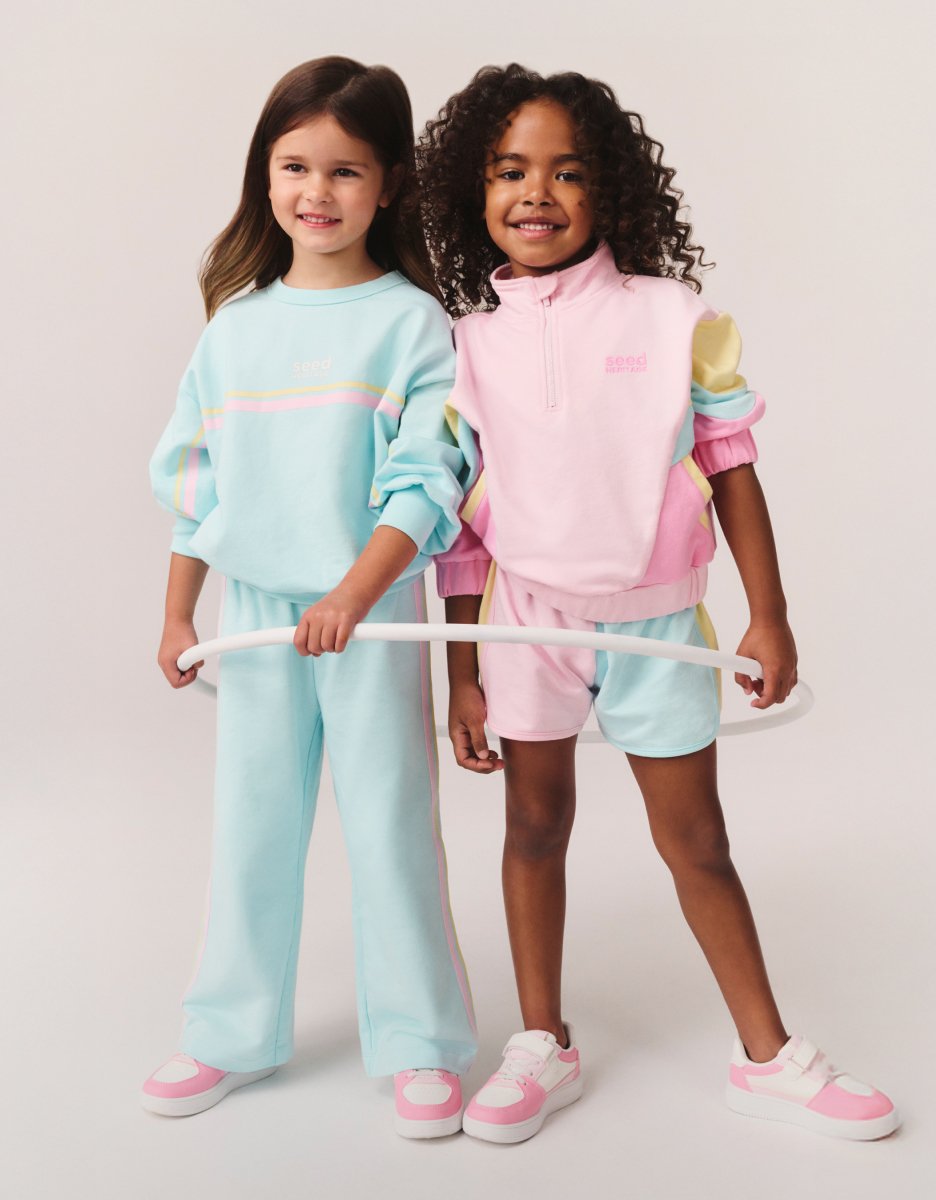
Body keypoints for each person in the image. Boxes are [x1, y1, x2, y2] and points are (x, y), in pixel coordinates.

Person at [417, 64, 899, 1144]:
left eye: (567, 171)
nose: (536, 193)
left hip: (659, 624)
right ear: (472, 190)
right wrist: (463, 675)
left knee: (698, 843)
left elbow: (730, 465)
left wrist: (769, 614)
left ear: (610, 191)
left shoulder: (673, 317)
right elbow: (458, 531)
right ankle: (542, 1042)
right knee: (533, 827)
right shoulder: (464, 345)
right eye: (509, 171)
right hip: (525, 625)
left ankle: (768, 1056)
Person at [144, 56, 476, 1138]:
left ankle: (421, 1044)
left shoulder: (412, 324)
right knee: (252, 826)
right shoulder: (234, 329)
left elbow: (427, 483)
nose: (316, 191)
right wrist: (178, 612)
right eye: (294, 166)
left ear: (389, 186)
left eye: (344, 170)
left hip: (370, 616)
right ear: (265, 174)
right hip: (253, 619)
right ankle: (229, 1035)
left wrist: (351, 595)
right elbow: (199, 484)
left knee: (389, 826)